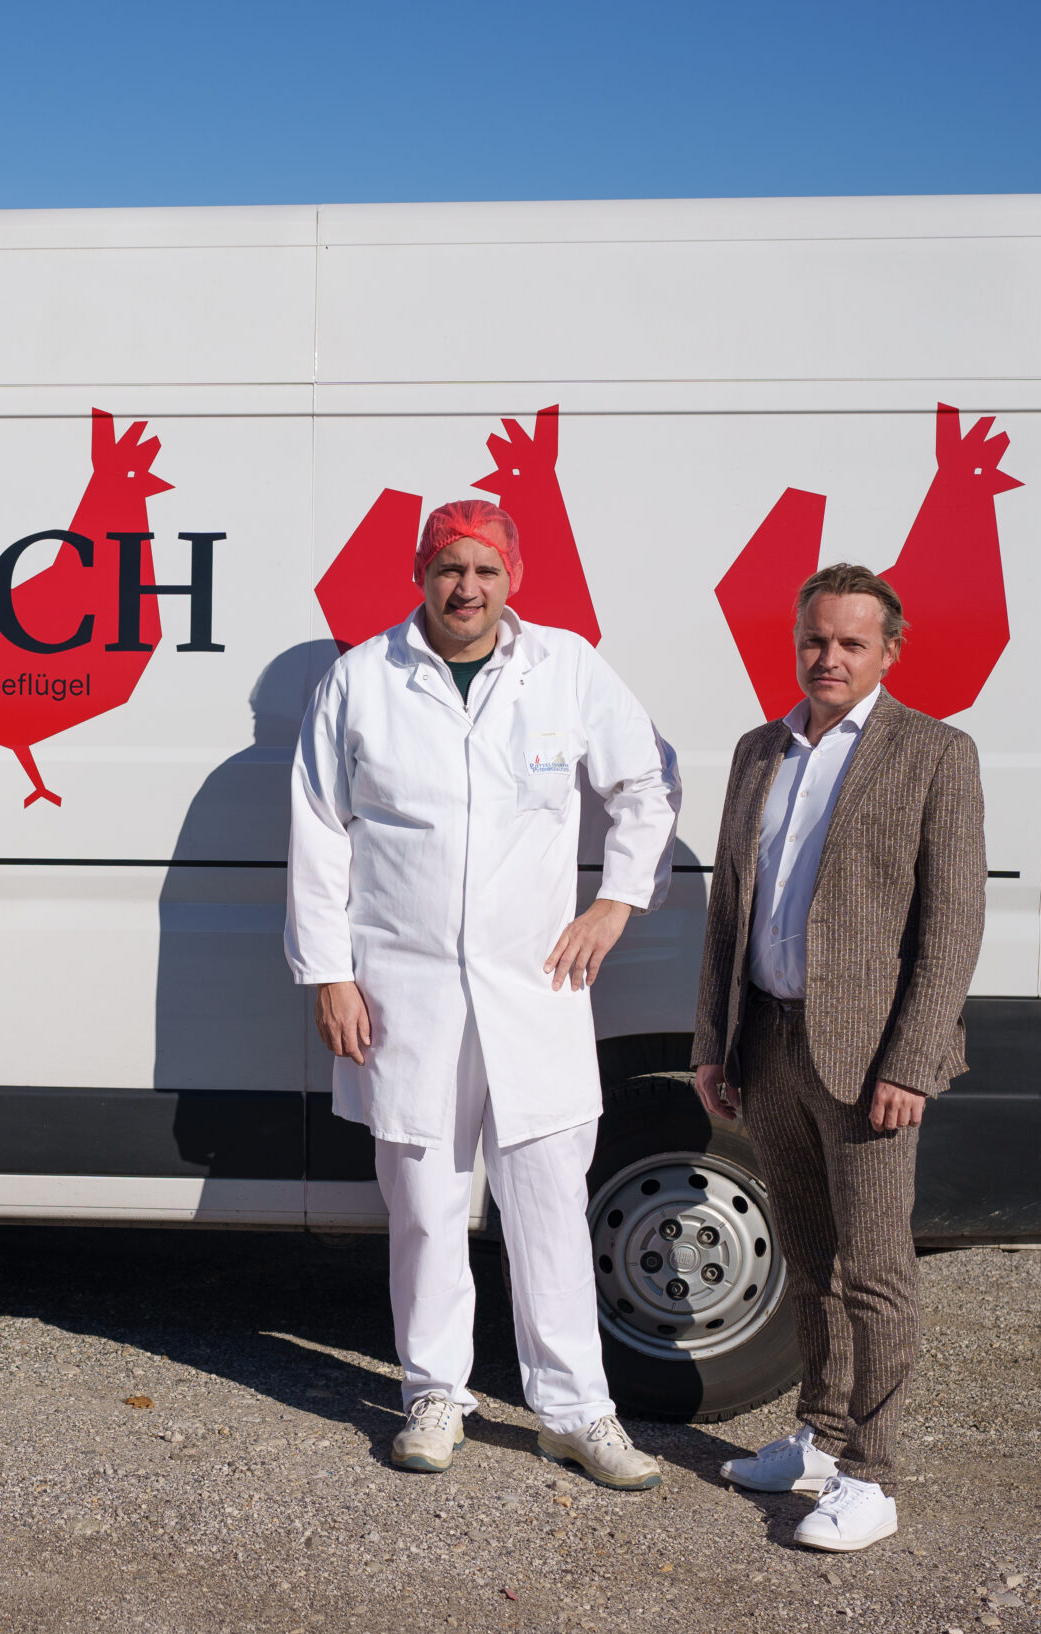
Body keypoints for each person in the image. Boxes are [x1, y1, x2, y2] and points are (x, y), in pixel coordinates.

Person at [287, 499, 679, 1489]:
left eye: (485, 571)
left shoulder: (566, 668)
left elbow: (644, 787)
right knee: (425, 1206)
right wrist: (329, 974)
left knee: (548, 1204)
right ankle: (434, 1394)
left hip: (535, 988)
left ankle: (576, 1412)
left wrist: (614, 904)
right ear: (420, 575)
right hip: (403, 990)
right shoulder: (362, 680)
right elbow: (319, 831)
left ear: (513, 579)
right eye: (448, 568)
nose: (466, 588)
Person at [693, 563, 985, 1552]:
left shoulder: (934, 753)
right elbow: (728, 911)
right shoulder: (759, 751)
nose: (829, 657)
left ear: (887, 652)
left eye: (851, 643)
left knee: (874, 1270)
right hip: (767, 1042)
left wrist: (911, 1062)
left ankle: (872, 1473)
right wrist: (712, 1041)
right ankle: (819, 1437)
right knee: (810, 1258)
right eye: (815, 639)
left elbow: (951, 926)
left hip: (866, 1061)